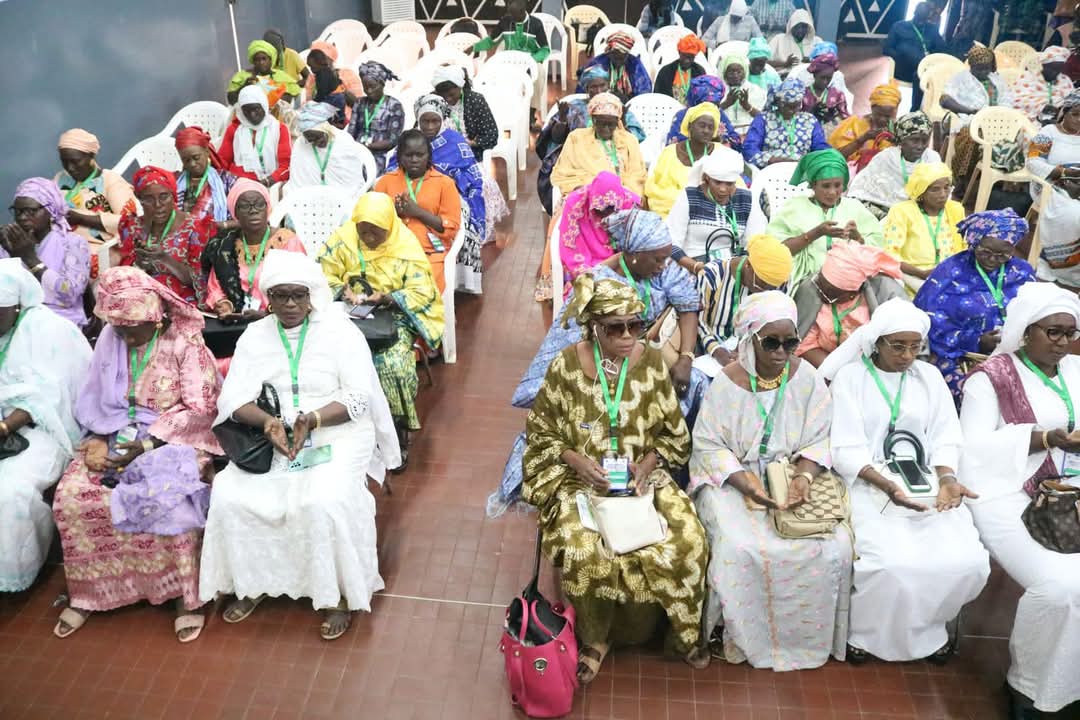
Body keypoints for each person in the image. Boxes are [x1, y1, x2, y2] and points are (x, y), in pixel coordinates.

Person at [199, 250, 400, 640]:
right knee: (230, 494)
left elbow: (359, 397)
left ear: (312, 295)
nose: (290, 304)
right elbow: (234, 398)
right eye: (280, 296)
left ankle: (337, 594)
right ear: (268, 298)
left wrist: (312, 420)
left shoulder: (339, 332)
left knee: (322, 500)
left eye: (298, 295)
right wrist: (268, 422)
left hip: (336, 429)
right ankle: (253, 582)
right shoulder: (256, 335)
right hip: (273, 434)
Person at [522, 275, 710, 682]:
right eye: (615, 328)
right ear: (594, 327)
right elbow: (541, 431)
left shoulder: (652, 364)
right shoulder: (566, 366)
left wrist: (647, 466)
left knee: (689, 540)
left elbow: (673, 434)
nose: (627, 337)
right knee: (585, 551)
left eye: (635, 325)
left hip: (641, 478)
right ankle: (596, 638)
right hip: (579, 481)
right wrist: (577, 461)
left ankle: (680, 632)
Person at [492, 210, 707, 517]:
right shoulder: (597, 284)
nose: (664, 265)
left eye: (665, 258)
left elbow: (688, 306)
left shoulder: (664, 271)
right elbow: (569, 337)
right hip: (601, 362)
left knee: (692, 386)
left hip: (644, 358)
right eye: (657, 259)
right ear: (634, 254)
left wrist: (686, 356)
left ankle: (670, 466)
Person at [52, 267, 221, 641]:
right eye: (119, 328)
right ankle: (92, 592)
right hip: (114, 433)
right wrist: (98, 436)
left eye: (133, 329)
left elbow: (201, 409)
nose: (125, 337)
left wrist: (147, 446)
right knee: (73, 496)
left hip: (173, 440)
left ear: (155, 317)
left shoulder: (185, 344)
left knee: (169, 500)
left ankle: (184, 597)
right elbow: (95, 396)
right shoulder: (112, 336)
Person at [689, 290, 852, 670]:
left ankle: (803, 641)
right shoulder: (725, 384)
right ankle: (739, 636)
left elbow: (821, 437)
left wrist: (805, 477)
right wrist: (747, 483)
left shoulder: (808, 379)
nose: (782, 352)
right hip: (734, 481)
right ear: (750, 339)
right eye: (771, 342)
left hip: (792, 473)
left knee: (834, 547)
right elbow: (708, 445)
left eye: (790, 342)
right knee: (738, 548)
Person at [822, 299, 989, 665]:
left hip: (925, 479)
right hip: (867, 482)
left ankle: (928, 631)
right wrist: (888, 488)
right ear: (876, 342)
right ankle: (865, 634)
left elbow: (947, 434)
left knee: (967, 561)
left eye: (915, 346)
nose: (907, 355)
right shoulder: (852, 378)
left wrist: (947, 478)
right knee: (891, 564)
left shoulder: (928, 377)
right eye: (898, 346)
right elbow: (846, 448)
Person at [958, 282, 1080, 717]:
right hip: (1004, 491)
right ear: (1027, 330)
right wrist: (1045, 439)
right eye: (1053, 331)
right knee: (1061, 587)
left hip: (1068, 490)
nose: (1062, 342)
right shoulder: (990, 379)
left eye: (1070, 332)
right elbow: (971, 450)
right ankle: (1029, 687)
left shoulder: (1076, 370)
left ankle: (1069, 682)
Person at [319, 192, 445, 457]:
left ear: (388, 225)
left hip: (392, 318)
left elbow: (423, 291)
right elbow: (319, 277)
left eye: (376, 232)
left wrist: (389, 298)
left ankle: (397, 429)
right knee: (326, 360)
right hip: (347, 315)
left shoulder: (405, 245)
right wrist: (342, 291)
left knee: (393, 364)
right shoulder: (343, 241)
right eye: (363, 231)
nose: (368, 238)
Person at [0, 260, 91, 593]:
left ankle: (15, 574)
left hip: (44, 430)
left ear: (16, 305)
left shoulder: (49, 330)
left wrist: (4, 427)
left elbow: (48, 395)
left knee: (10, 491)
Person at [914, 209, 1037, 400]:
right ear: (974, 242)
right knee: (974, 395)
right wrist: (976, 341)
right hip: (958, 355)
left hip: (1016, 354)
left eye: (1003, 255)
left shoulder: (1022, 272)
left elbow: (1038, 314)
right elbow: (929, 321)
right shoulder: (950, 273)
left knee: (1034, 394)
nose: (993, 259)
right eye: (985, 251)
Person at [387, 95, 489, 291]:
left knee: (460, 217)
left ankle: (452, 275)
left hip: (449, 192)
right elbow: (393, 169)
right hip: (408, 190)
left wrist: (447, 178)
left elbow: (472, 175)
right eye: (425, 121)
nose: (430, 126)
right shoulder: (409, 140)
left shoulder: (454, 141)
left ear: (442, 120)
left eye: (435, 121)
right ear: (418, 119)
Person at [766, 148, 885, 288]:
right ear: (813, 185)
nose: (832, 192)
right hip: (808, 283)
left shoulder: (855, 207)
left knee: (885, 286)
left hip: (852, 280)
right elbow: (776, 250)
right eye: (826, 186)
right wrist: (815, 233)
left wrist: (858, 239)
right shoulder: (794, 207)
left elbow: (877, 248)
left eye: (838, 185)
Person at [536, 65, 646, 215]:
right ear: (586, 88)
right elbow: (555, 139)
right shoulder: (573, 111)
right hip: (579, 160)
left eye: (602, 85)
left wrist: (623, 123)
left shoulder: (615, 109)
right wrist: (562, 121)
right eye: (594, 86)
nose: (599, 90)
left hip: (623, 194)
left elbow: (636, 171)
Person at [374, 130, 463, 293]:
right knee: (374, 284)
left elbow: (450, 229)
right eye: (408, 155)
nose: (414, 160)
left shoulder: (445, 184)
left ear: (429, 156)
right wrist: (394, 212)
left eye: (420, 155)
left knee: (417, 288)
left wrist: (417, 212)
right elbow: (372, 220)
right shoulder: (386, 182)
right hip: (390, 251)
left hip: (429, 253)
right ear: (399, 156)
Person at [204, 179, 306, 320]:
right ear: (235, 213)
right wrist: (224, 304)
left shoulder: (287, 241)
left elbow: (301, 286)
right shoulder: (226, 245)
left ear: (268, 208)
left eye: (259, 204)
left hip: (280, 318)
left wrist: (268, 312)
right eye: (245, 206)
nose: (253, 210)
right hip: (237, 318)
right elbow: (215, 287)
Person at [793, 243, 906, 367]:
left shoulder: (886, 294)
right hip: (824, 369)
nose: (820, 293)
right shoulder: (811, 290)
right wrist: (838, 372)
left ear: (852, 294)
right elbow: (805, 345)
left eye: (830, 293)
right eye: (819, 285)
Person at [116, 166, 215, 306]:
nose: (158, 205)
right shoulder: (132, 227)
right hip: (139, 296)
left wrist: (164, 258)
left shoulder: (194, 228)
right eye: (149, 199)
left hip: (178, 300)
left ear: (173, 195)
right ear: (139, 199)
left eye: (164, 197)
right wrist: (140, 263)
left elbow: (199, 282)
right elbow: (126, 275)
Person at [0, 178, 90, 327]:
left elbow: (70, 295)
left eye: (31, 211)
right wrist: (9, 259)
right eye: (18, 211)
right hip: (14, 321)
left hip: (60, 322)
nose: (22, 217)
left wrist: (30, 259)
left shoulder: (73, 243)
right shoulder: (9, 243)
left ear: (50, 210)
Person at [696, 233, 793, 364]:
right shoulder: (712, 275)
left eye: (772, 287)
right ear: (748, 265)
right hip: (712, 349)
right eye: (762, 283)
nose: (767, 290)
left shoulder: (779, 280)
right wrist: (716, 350)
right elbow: (699, 321)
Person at [666, 147, 762, 267]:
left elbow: (754, 242)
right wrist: (695, 267)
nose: (723, 189)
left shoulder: (746, 199)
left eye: (729, 184)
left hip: (733, 267)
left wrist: (735, 269)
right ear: (707, 178)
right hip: (692, 264)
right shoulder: (689, 196)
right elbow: (671, 242)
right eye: (717, 182)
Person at [882, 162, 966, 290]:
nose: (943, 194)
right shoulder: (902, 212)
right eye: (935, 189)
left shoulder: (955, 209)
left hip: (951, 276)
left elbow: (965, 247)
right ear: (921, 191)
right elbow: (890, 255)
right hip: (913, 277)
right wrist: (920, 273)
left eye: (947, 187)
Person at [556, 171, 640, 297]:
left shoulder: (630, 204)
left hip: (621, 265)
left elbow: (636, 246)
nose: (605, 217)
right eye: (600, 210)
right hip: (587, 265)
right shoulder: (575, 204)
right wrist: (595, 274)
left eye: (612, 210)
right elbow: (570, 250)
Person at [469, 0, 550, 126]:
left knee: (540, 72)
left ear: (522, 12)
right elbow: (491, 41)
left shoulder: (536, 24)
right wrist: (474, 47)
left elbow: (545, 50)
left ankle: (531, 113)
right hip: (509, 61)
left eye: (514, 14)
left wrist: (532, 60)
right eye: (510, 13)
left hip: (530, 61)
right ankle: (500, 110)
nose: (511, 17)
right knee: (490, 73)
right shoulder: (505, 21)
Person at [847, 111, 941, 218]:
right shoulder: (886, 158)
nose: (920, 146)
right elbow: (859, 193)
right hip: (885, 213)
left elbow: (940, 191)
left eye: (925, 140)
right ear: (902, 140)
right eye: (914, 140)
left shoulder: (932, 158)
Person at [551, 93, 647, 197]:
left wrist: (622, 190)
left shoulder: (629, 140)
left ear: (617, 122)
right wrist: (594, 188)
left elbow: (638, 175)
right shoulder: (576, 138)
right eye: (602, 124)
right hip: (588, 196)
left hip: (625, 196)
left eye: (611, 124)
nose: (606, 129)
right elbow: (564, 173)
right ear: (593, 120)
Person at [55, 129, 136, 252]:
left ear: (91, 156)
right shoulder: (61, 179)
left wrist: (80, 218)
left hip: (99, 250)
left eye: (76, 161)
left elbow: (130, 223)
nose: (70, 168)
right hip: (61, 245)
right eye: (64, 161)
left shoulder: (111, 181)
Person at [941, 47, 1014, 181]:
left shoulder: (996, 80)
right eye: (979, 69)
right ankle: (962, 178)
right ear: (971, 65)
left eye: (986, 68)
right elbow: (944, 100)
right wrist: (970, 111)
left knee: (1015, 135)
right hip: (968, 118)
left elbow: (1007, 98)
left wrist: (1000, 113)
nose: (983, 72)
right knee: (972, 136)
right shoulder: (961, 79)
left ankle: (1000, 179)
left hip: (996, 120)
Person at [645, 102, 721, 218]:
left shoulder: (722, 153)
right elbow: (659, 191)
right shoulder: (670, 153)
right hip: (673, 212)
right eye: (702, 125)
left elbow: (735, 187)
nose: (706, 130)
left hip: (713, 214)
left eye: (710, 127)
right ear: (690, 127)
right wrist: (690, 203)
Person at [743, 78, 830, 169]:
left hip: (802, 169)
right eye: (788, 106)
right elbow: (749, 148)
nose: (792, 111)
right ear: (778, 103)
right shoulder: (764, 119)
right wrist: (771, 160)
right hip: (771, 169)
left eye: (796, 106)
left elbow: (820, 146)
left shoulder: (809, 120)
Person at [290, 102, 372, 196]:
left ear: (326, 130)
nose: (315, 143)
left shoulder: (343, 141)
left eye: (318, 138)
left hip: (343, 196)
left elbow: (352, 183)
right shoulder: (301, 144)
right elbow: (298, 183)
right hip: (310, 198)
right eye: (310, 140)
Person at [218, 86, 292, 186]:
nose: (252, 115)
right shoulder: (234, 129)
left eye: (256, 109)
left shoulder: (279, 129)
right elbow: (222, 163)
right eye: (246, 111)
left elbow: (287, 165)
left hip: (271, 182)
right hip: (238, 183)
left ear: (264, 105)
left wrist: (269, 181)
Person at [883, 2, 948, 113]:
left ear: (928, 17)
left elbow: (941, 49)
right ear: (914, 13)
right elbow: (887, 49)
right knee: (920, 74)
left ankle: (919, 110)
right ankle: (915, 111)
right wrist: (902, 55)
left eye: (924, 19)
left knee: (924, 74)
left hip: (924, 70)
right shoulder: (899, 26)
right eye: (919, 17)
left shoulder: (932, 29)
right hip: (903, 68)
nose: (920, 22)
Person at [349, 62, 406, 176]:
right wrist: (353, 147)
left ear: (382, 84)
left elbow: (393, 140)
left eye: (373, 86)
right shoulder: (359, 103)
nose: (369, 91)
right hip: (357, 153)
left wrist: (368, 147)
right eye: (365, 87)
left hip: (381, 155)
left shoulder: (394, 105)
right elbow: (351, 131)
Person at [432, 66, 499, 161]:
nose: (448, 99)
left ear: (460, 87)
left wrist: (471, 143)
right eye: (443, 96)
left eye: (452, 95)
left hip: (471, 154)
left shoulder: (475, 100)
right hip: (440, 154)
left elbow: (491, 134)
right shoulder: (432, 101)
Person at [829, 85, 902, 171]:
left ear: (896, 111)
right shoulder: (853, 123)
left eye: (887, 116)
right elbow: (835, 156)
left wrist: (895, 141)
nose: (882, 119)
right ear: (872, 108)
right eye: (878, 114)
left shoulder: (899, 129)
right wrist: (864, 138)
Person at [174, 127, 236, 226]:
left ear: (207, 151)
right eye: (186, 160)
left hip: (217, 233)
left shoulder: (226, 180)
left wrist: (220, 225)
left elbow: (245, 220)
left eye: (196, 158)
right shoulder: (175, 181)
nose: (192, 164)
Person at [1027, 89, 1080, 200]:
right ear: (1064, 113)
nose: (1079, 119)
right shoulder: (1048, 132)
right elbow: (1033, 162)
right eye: (1075, 114)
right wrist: (1063, 172)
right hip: (1051, 187)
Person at [665, 76, 742, 149]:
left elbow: (735, 140)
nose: (710, 108)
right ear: (696, 102)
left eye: (714, 104)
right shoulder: (682, 116)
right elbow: (673, 144)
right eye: (705, 104)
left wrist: (722, 140)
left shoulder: (718, 113)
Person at [576, 31, 653, 103]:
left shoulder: (634, 63)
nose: (619, 61)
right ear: (609, 53)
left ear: (627, 54)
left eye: (622, 57)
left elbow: (644, 91)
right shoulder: (598, 63)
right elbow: (583, 91)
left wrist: (627, 99)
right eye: (616, 57)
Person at [226, 38, 301, 108]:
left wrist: (274, 98)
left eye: (264, 59)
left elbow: (293, 94)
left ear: (271, 60)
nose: (261, 62)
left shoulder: (280, 76)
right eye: (257, 60)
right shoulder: (242, 76)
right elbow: (231, 100)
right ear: (253, 61)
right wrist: (244, 87)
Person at [1012, 46, 1074, 124]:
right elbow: (1017, 100)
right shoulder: (1027, 77)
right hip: (1029, 119)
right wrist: (1041, 107)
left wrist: (1061, 109)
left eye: (1059, 69)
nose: (1055, 72)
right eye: (1052, 68)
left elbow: (1071, 100)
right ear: (1042, 65)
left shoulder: (1065, 80)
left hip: (1058, 120)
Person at [304, 41, 362, 123]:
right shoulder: (312, 78)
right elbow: (308, 102)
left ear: (330, 61)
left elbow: (358, 104)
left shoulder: (347, 74)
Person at [801, 50, 849, 135]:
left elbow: (846, 119)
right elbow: (796, 119)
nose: (825, 81)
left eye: (829, 78)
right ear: (814, 75)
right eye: (822, 78)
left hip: (831, 134)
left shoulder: (837, 95)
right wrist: (812, 111)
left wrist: (833, 115)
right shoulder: (803, 93)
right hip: (807, 134)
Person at [718, 55, 767, 133]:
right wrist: (726, 104)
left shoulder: (755, 90)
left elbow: (763, 117)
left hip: (750, 132)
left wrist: (747, 106)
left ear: (745, 73)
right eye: (731, 72)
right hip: (724, 133)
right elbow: (709, 113)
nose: (735, 75)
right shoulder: (717, 90)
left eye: (739, 72)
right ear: (724, 73)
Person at [654, 35, 708, 104]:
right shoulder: (666, 71)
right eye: (685, 56)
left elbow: (703, 96)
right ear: (679, 53)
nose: (687, 61)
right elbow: (658, 96)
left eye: (691, 57)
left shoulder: (700, 71)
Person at [769, 9, 822, 73]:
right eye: (797, 27)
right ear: (791, 26)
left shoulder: (817, 41)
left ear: (808, 27)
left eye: (803, 27)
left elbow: (826, 61)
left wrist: (812, 61)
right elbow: (764, 61)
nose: (800, 30)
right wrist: (785, 64)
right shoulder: (779, 39)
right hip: (784, 75)